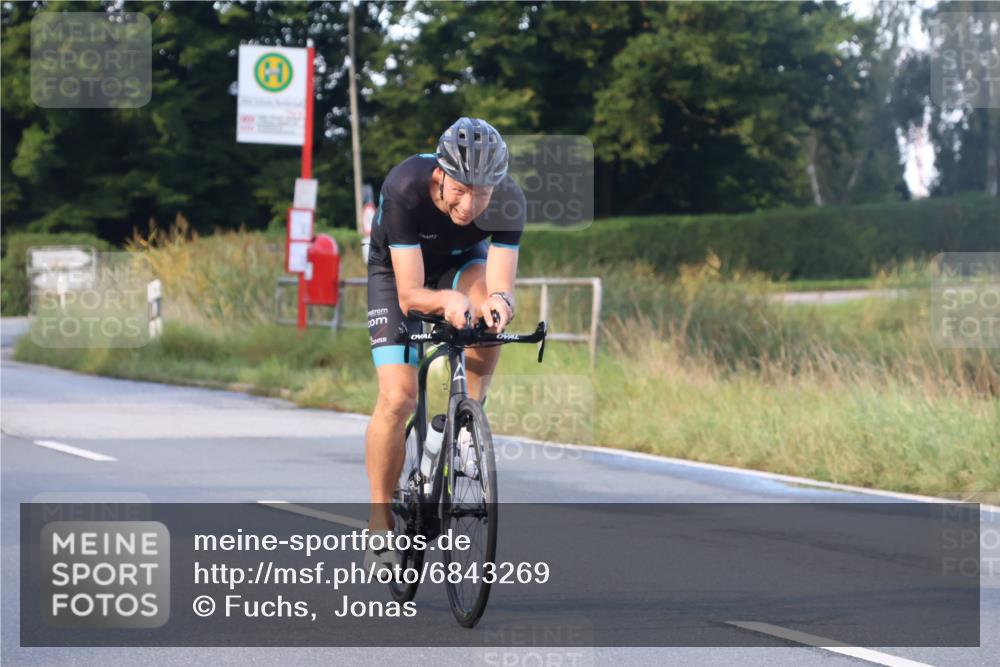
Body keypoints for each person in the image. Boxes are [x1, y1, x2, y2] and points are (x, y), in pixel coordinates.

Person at [363, 118, 525, 569]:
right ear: (440, 174)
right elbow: (411, 294)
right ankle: (379, 519)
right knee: (398, 397)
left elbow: (501, 284)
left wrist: (499, 303)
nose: (471, 204)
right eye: (461, 190)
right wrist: (447, 301)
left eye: (483, 193)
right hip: (396, 274)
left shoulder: (509, 198)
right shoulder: (405, 187)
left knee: (488, 318)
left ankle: (469, 423)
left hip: (461, 266)